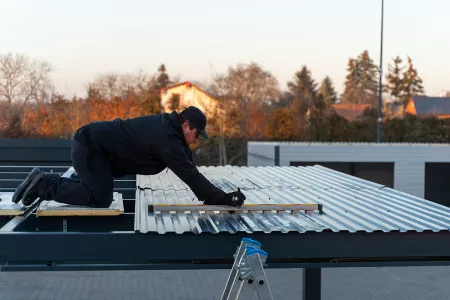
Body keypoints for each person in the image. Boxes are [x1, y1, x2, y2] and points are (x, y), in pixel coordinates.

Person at [12, 106, 246, 208]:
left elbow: (190, 168)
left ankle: (43, 181)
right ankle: (43, 184)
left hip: (95, 150)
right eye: (196, 133)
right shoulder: (166, 139)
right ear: (186, 125)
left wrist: (215, 197)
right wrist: (222, 199)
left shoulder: (172, 132)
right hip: (90, 147)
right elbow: (189, 175)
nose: (196, 139)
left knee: (99, 188)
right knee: (100, 198)